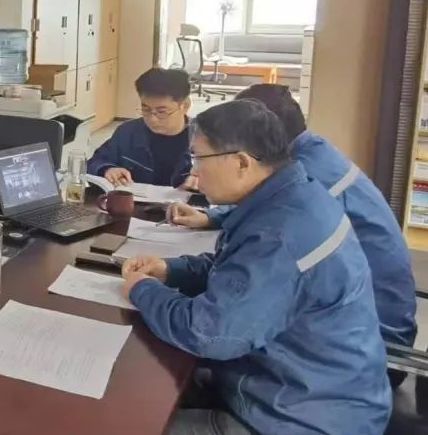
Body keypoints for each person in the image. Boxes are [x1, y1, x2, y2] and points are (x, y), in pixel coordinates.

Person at [122, 100, 391, 435]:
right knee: (147, 385)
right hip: (291, 385)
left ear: (242, 162)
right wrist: (171, 270)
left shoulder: (280, 234)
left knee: (124, 433)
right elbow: (240, 273)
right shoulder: (293, 194)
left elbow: (210, 333)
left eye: (198, 158)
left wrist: (143, 290)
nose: (194, 172)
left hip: (294, 423)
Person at [169, 83, 418, 349]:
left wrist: (148, 290)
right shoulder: (309, 154)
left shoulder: (309, 179)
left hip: (378, 331)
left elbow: (214, 331)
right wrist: (212, 218)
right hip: (347, 320)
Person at [88, 67, 193, 187]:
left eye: (162, 111)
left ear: (185, 106)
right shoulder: (128, 133)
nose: (152, 119)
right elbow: (95, 162)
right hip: (135, 199)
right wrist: (107, 169)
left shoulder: (205, 139)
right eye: (146, 109)